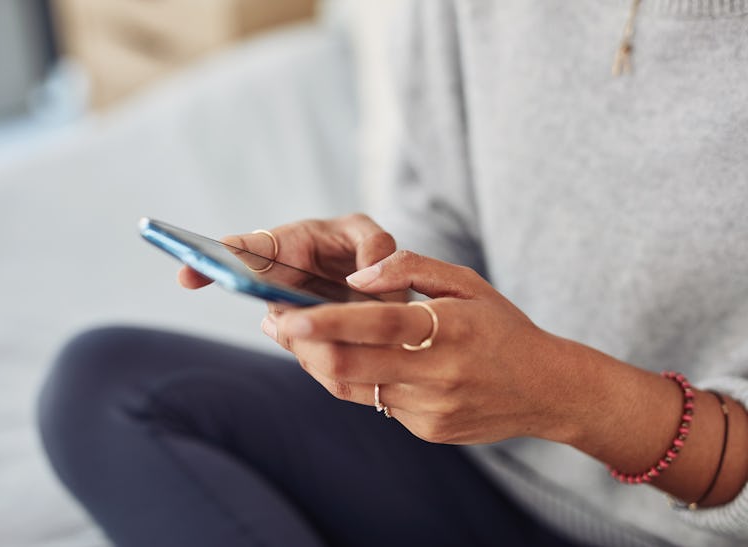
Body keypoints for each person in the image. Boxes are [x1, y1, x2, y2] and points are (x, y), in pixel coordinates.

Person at [38, 1, 748, 546]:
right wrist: (389, 297)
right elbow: (437, 203)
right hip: (488, 472)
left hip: (696, 517)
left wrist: (563, 394)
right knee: (103, 385)